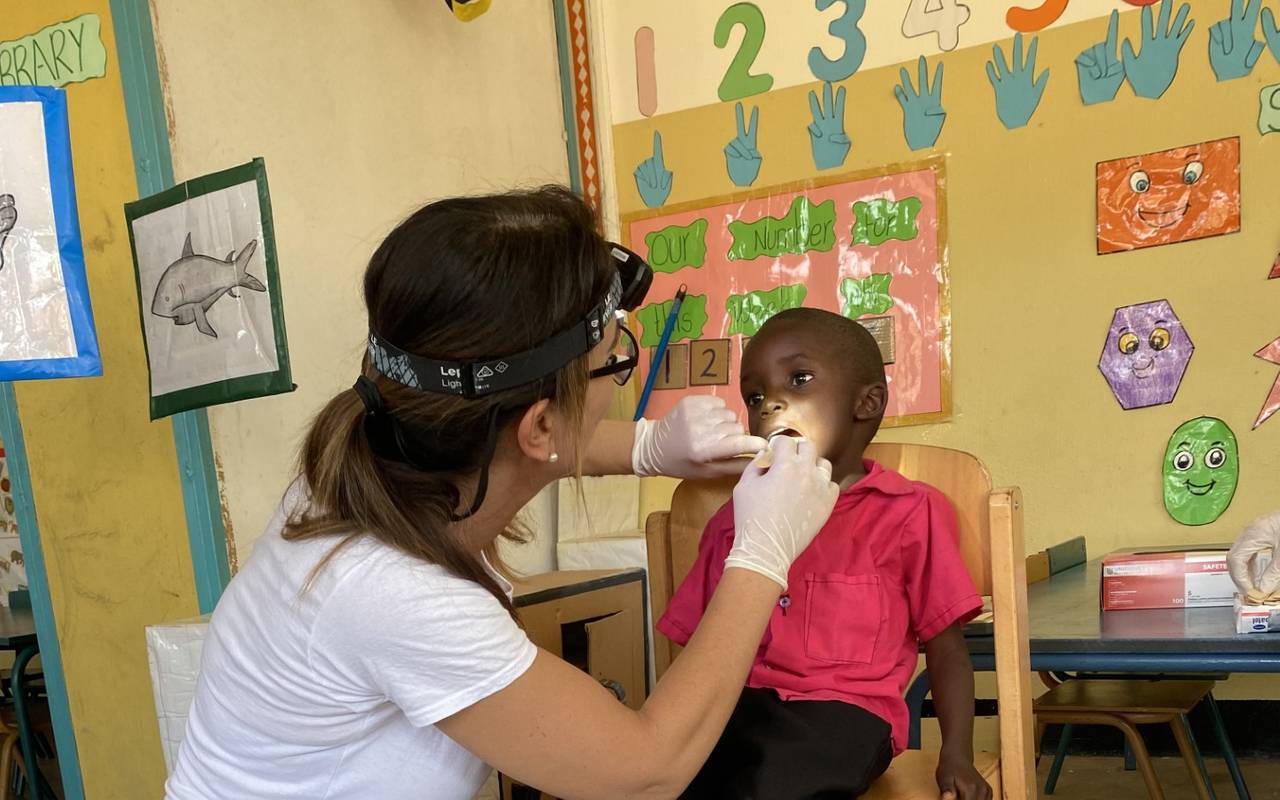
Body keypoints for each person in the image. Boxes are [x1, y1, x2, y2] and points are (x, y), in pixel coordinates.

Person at [165, 186, 839, 800]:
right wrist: (761, 555)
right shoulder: (393, 591)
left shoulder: (367, 454)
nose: (619, 378)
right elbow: (648, 771)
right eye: (615, 358)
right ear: (540, 425)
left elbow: (517, 444)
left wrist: (647, 446)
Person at [660, 308, 991, 800]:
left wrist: (956, 755)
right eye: (754, 396)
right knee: (661, 776)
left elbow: (948, 651)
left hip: (846, 716)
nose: (770, 403)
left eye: (799, 379)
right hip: (742, 708)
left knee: (771, 782)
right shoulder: (733, 520)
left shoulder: (909, 513)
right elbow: (697, 654)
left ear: (867, 402)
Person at [1229, 511, 1280, 602]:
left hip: (1267, 525)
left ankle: (1263, 591)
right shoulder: (1262, 527)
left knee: (1276, 568)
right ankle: (1260, 591)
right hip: (1266, 527)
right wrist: (1249, 589)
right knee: (1237, 557)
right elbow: (1235, 558)